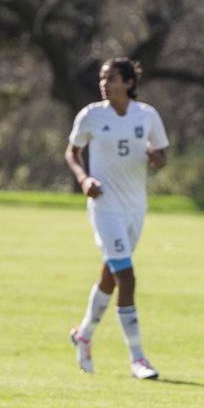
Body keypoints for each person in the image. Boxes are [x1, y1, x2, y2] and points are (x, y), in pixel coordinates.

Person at [65, 58, 169, 380]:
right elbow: (72, 152)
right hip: (105, 207)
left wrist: (156, 158)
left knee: (111, 274)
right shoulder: (91, 115)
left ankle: (83, 334)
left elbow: (162, 156)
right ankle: (138, 358)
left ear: (128, 82)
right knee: (127, 277)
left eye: (110, 78)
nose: (104, 83)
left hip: (135, 207)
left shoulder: (147, 115)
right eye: (102, 78)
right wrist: (84, 179)